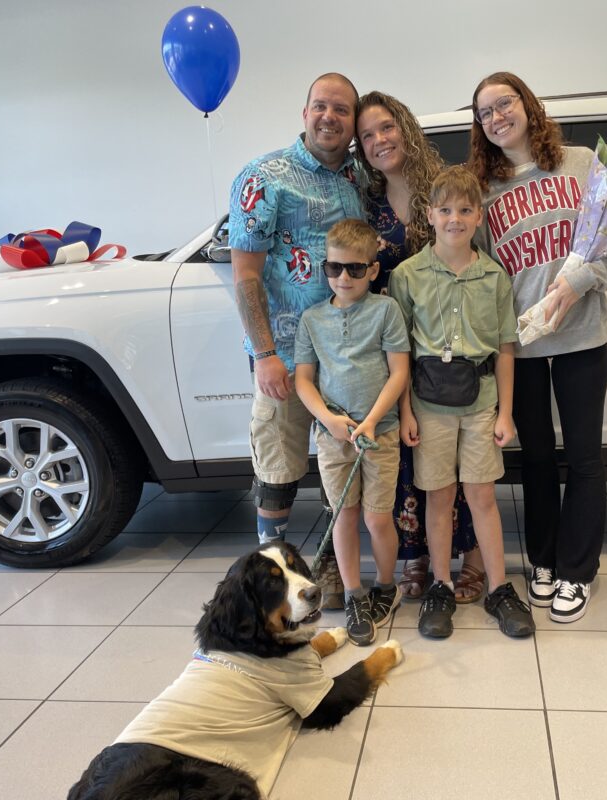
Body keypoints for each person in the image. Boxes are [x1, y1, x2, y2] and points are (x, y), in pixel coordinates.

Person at [468, 72, 607, 623]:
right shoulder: (484, 191)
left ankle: (576, 571)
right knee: (536, 459)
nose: (497, 117)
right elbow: (485, 272)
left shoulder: (581, 163)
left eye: (504, 103)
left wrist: (579, 282)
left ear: (527, 104)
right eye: (485, 112)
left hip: (583, 339)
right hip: (521, 350)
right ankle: (542, 560)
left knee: (584, 458)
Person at [228, 73, 362, 607]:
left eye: (342, 110)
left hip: (346, 355)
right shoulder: (265, 177)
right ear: (305, 112)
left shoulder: (359, 178)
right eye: (321, 106)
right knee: (278, 465)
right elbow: (245, 274)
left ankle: (330, 559)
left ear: (353, 121)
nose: (330, 117)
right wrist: (264, 353)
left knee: (339, 461)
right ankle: (274, 566)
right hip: (283, 354)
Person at [388, 165, 534, 640]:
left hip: (481, 403)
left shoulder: (494, 277)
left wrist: (506, 412)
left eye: (465, 210)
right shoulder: (407, 276)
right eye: (446, 210)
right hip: (428, 405)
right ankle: (441, 585)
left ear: (479, 216)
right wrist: (405, 411)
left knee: (482, 495)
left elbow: (506, 348)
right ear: (430, 215)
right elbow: (400, 353)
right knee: (439, 496)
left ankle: (499, 587)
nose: (455, 218)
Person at [353, 91, 485, 605]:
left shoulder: (446, 187)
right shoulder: (365, 205)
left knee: (458, 454)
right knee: (406, 453)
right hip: (391, 349)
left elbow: (478, 259)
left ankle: (471, 555)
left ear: (405, 126)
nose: (379, 140)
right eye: (367, 135)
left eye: (386, 127)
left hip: (449, 348)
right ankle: (417, 557)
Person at [294, 219, 410, 646]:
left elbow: (399, 373)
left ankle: (385, 586)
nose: (344, 277)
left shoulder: (386, 311)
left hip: (380, 433)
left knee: (377, 517)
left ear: (373, 270)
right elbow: (303, 380)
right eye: (335, 268)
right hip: (333, 436)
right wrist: (328, 419)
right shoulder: (312, 319)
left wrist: (372, 420)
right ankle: (355, 594)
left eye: (355, 269)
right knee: (343, 515)